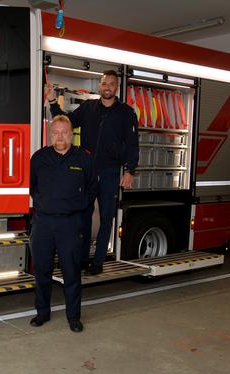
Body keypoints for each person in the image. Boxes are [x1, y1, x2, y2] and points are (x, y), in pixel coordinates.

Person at [45, 70, 139, 275]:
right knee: (83, 216)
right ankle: (82, 260)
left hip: (110, 172)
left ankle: (98, 262)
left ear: (117, 87)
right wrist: (52, 101)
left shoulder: (126, 113)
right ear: (99, 86)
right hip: (86, 170)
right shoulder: (87, 108)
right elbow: (66, 121)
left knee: (106, 217)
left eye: (112, 84)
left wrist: (129, 170)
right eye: (104, 83)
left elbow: (132, 145)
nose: (107, 87)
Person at [29, 115, 97, 332]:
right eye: (56, 132)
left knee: (71, 272)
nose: (60, 136)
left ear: (71, 134)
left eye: (64, 132)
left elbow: (92, 189)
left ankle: (73, 317)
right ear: (50, 135)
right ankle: (42, 312)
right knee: (42, 271)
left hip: (70, 224)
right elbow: (33, 187)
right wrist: (43, 204)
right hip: (43, 224)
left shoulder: (83, 158)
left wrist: (78, 206)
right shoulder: (39, 158)